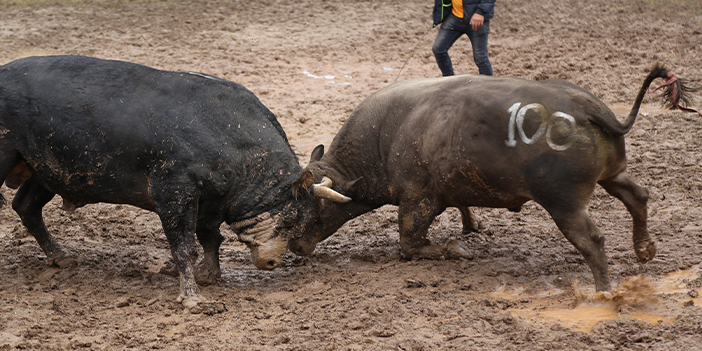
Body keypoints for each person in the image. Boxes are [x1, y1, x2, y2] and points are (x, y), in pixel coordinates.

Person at [431, 0, 495, 76]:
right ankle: (449, 80)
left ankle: (488, 86)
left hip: (476, 19)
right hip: (455, 17)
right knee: (438, 48)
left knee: (480, 58)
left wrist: (480, 12)